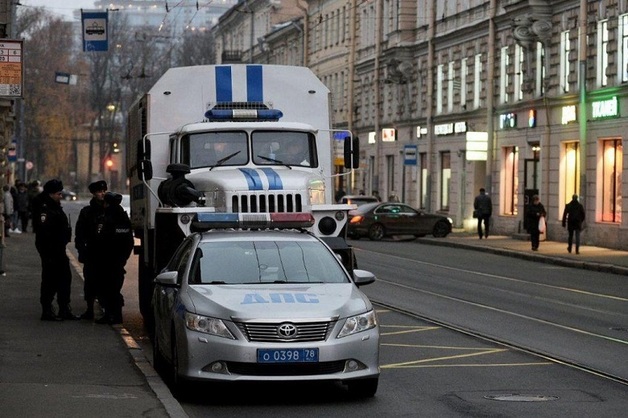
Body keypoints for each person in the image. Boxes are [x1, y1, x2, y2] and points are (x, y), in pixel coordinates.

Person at [32, 179, 79, 321]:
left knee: (64, 278)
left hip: (58, 249)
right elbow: (45, 232)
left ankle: (64, 308)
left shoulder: (54, 206)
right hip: (51, 250)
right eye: (59, 193)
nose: (61, 196)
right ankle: (47, 310)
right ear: (51, 193)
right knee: (50, 279)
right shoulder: (45, 208)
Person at [94, 192, 134, 324]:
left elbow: (124, 242)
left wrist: (119, 259)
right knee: (108, 288)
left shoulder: (116, 218)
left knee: (112, 289)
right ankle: (110, 314)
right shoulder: (113, 216)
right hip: (110, 260)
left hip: (112, 261)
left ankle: (115, 316)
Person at [74, 180, 108, 320]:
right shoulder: (87, 212)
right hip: (92, 254)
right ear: (94, 194)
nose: (102, 194)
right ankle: (90, 309)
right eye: (100, 191)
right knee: (90, 283)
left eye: (104, 191)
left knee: (106, 283)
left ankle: (106, 309)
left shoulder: (110, 210)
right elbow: (80, 234)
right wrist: (82, 251)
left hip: (106, 255)